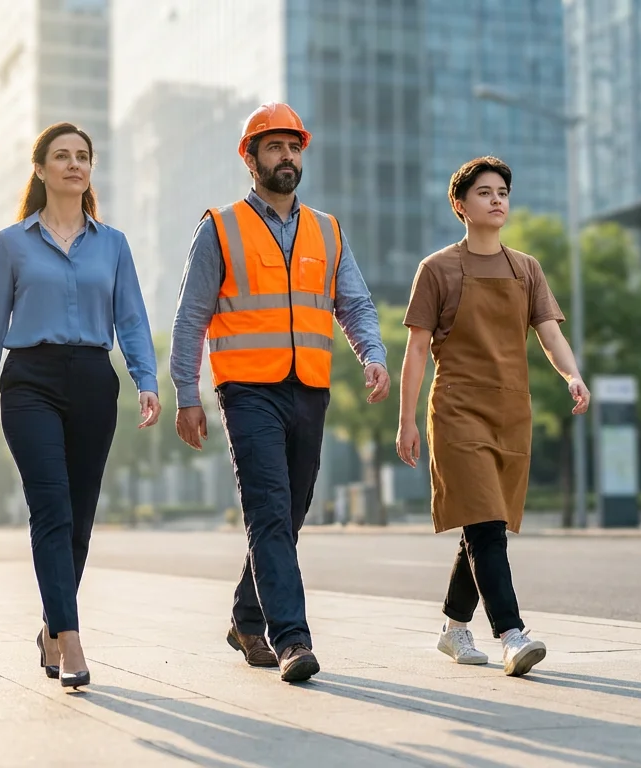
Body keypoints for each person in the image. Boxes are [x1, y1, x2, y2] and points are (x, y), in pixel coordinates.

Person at [170, 102, 389, 683]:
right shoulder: (220, 227)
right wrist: (185, 392)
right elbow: (191, 315)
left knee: (288, 514)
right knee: (268, 510)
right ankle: (291, 639)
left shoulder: (327, 229)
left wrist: (373, 353)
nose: (286, 156)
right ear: (250, 158)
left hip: (310, 386)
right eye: (273, 147)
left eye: (294, 147)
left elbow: (355, 303)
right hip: (246, 391)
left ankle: (246, 617)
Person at [0, 122, 160, 691]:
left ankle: (51, 625)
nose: (74, 164)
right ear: (41, 169)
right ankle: (71, 639)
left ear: (90, 170)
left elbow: (131, 318)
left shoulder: (113, 244)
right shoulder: (13, 243)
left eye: (83, 157)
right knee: (50, 508)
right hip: (29, 381)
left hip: (95, 382)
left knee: (78, 516)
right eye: (62, 156)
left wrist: (146, 377)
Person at [395, 156, 589, 676]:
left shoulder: (526, 269)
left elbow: (549, 333)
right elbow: (415, 350)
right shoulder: (436, 270)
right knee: (486, 526)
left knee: (484, 522)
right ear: (460, 206)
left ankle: (455, 627)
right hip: (457, 408)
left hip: (510, 410)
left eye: (503, 191)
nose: (497, 199)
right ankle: (512, 633)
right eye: (484, 192)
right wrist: (406, 420)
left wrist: (571, 374)